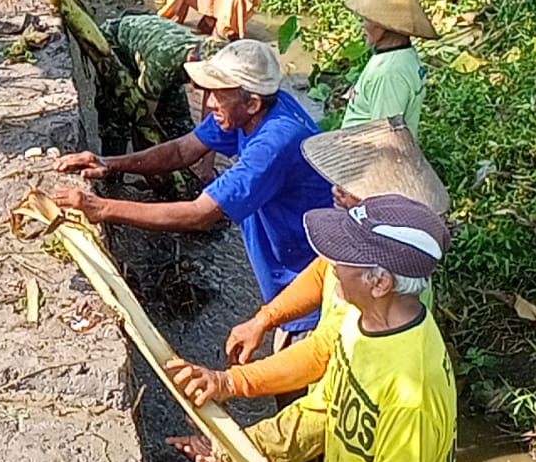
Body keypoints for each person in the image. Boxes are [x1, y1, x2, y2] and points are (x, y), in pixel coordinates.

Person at [167, 195, 457, 462]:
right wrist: (238, 447)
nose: (329, 262)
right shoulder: (361, 324)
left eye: (343, 256)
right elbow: (324, 409)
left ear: (379, 282)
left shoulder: (411, 392)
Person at [53, 40, 332, 342]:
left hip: (308, 288)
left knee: (297, 376)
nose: (209, 102)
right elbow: (182, 151)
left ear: (251, 102)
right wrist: (109, 164)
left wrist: (101, 208)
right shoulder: (256, 109)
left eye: (218, 95)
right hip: (290, 276)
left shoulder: (274, 143)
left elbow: (199, 215)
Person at [338, 0, 437, 137]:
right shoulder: (404, 56)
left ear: (386, 27)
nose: (362, 26)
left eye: (367, 20)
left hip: (363, 157)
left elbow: (386, 136)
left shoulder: (389, 74)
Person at [102, 13, 226, 127]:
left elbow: (209, 117)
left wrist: (208, 141)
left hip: (154, 46)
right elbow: (145, 110)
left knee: (179, 123)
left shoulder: (207, 55)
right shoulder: (162, 64)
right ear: (192, 60)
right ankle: (114, 150)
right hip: (117, 42)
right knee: (119, 112)